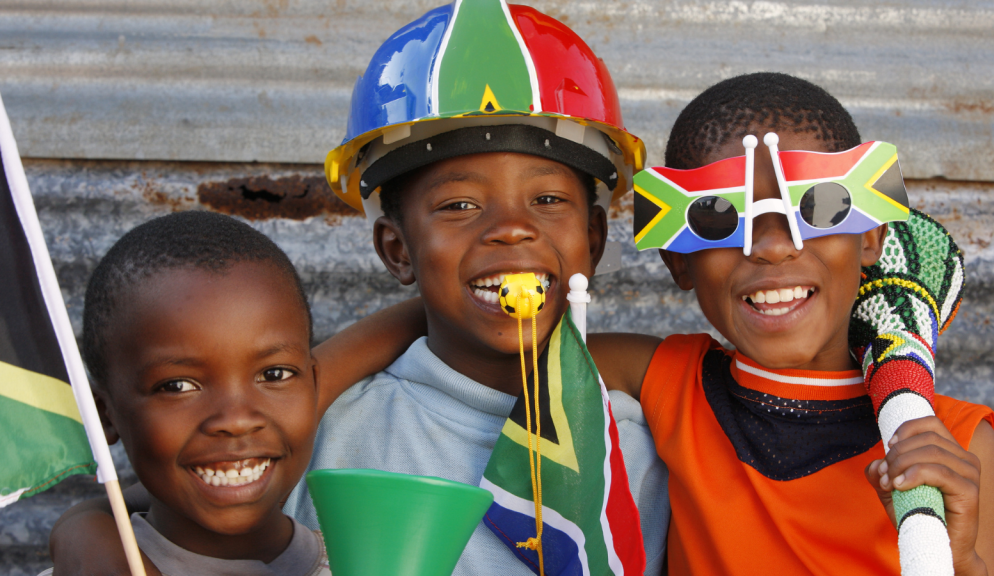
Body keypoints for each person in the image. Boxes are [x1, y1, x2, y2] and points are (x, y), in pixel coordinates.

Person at [50, 1, 671, 574]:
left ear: (593, 237)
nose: (511, 229)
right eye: (458, 204)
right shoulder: (328, 428)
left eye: (547, 199)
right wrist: (87, 529)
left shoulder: (656, 436)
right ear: (396, 251)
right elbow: (166, 499)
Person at [587, 72, 994, 575]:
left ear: (871, 236)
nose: (772, 245)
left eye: (819, 207)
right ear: (679, 261)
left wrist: (958, 560)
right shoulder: (669, 382)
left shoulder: (956, 442)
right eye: (719, 216)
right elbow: (516, 356)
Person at [43, 211, 424, 575]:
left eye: (273, 374)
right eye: (177, 386)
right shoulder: (87, 566)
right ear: (104, 415)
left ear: (312, 383)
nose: (237, 419)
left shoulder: (379, 567)